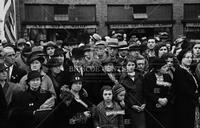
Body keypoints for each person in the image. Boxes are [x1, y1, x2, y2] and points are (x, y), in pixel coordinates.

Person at [143, 57, 174, 128]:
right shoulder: (148, 77)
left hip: (165, 108)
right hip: (152, 109)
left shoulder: (167, 76)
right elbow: (146, 92)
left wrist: (166, 99)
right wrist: (158, 99)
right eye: (164, 67)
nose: (167, 68)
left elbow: (171, 90)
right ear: (158, 69)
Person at [174, 49, 200, 128]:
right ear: (181, 58)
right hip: (184, 104)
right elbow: (184, 88)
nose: (190, 59)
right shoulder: (179, 71)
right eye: (187, 57)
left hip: (191, 102)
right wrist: (197, 95)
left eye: (191, 57)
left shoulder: (189, 70)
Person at [120, 56, 146, 128]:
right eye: (129, 65)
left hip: (141, 106)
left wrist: (144, 103)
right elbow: (124, 95)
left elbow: (144, 90)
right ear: (125, 66)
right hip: (129, 108)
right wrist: (132, 105)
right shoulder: (123, 78)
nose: (131, 67)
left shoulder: (140, 76)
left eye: (133, 65)